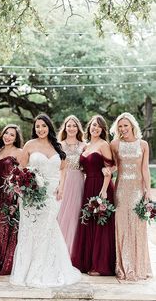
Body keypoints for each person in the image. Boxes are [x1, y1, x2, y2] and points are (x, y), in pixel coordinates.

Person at [10, 113, 81, 287]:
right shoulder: (30, 145)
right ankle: (28, 271)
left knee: (47, 229)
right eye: (37, 126)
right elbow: (20, 169)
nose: (40, 129)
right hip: (31, 195)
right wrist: (21, 186)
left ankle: (41, 271)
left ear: (49, 127)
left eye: (43, 126)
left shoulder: (57, 146)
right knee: (31, 231)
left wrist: (61, 187)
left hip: (52, 196)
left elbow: (63, 169)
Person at [110, 112, 152, 281]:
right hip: (120, 189)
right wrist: (106, 171)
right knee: (121, 225)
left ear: (132, 126)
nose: (123, 129)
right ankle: (123, 266)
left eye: (125, 125)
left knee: (137, 226)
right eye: (120, 126)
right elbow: (113, 166)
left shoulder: (143, 144)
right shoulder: (114, 144)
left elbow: (145, 169)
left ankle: (138, 266)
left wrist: (147, 191)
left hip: (137, 190)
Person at [71, 115, 115, 276]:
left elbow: (110, 168)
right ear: (89, 127)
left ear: (103, 129)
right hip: (88, 184)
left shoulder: (104, 145)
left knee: (100, 223)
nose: (95, 128)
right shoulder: (87, 146)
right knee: (88, 221)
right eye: (93, 125)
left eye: (99, 126)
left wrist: (103, 190)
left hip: (101, 186)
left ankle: (99, 265)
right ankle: (87, 262)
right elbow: (83, 167)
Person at [0, 124, 23, 275]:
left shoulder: (19, 152)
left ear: (16, 138)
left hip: (11, 195)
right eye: (6, 133)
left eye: (12, 135)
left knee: (9, 226)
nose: (8, 137)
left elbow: (23, 173)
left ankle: (8, 263)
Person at [57, 115, 86, 254]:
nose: (71, 128)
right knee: (62, 211)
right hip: (64, 180)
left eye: (74, 125)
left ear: (78, 128)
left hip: (79, 180)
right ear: (65, 127)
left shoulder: (84, 145)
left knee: (76, 213)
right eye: (69, 125)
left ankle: (74, 251)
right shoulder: (59, 145)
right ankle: (61, 249)